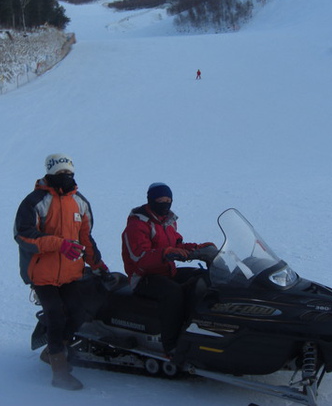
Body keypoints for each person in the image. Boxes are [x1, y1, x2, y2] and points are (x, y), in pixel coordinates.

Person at [14, 153, 109, 391]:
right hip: (42, 274)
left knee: (78, 314)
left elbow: (85, 238)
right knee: (56, 315)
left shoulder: (80, 202)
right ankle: (60, 372)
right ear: (50, 173)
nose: (65, 177)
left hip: (70, 273)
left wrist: (98, 265)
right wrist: (59, 244)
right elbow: (23, 235)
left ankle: (52, 350)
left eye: (68, 173)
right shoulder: (35, 201)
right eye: (60, 174)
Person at [121, 182, 215, 354]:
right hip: (143, 277)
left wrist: (199, 249)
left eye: (168, 200)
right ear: (151, 200)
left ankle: (201, 330)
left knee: (202, 277)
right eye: (160, 200)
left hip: (167, 271)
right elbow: (139, 258)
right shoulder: (137, 225)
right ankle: (171, 346)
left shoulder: (168, 221)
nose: (165, 203)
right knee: (173, 293)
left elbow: (177, 243)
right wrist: (166, 253)